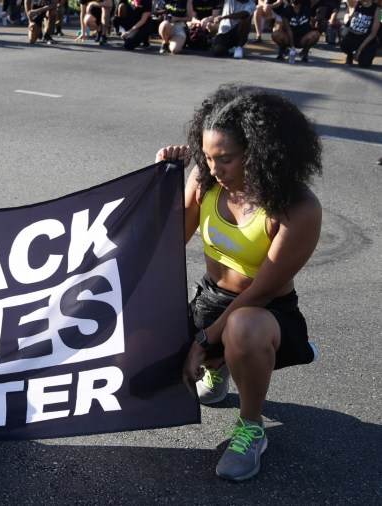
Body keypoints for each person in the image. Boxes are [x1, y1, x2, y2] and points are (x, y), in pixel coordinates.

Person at [156, 85, 322, 482]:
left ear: (262, 153)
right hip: (210, 301)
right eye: (208, 157)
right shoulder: (207, 179)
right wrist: (163, 179)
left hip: (264, 313)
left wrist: (199, 343)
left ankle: (251, 426)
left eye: (225, 159)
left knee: (241, 328)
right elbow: (168, 242)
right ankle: (218, 365)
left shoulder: (298, 208)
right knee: (146, 357)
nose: (214, 170)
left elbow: (260, 292)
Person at [339, 0, 380, 67]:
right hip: (353, 36)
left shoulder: (378, 10)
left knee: (364, 64)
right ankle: (350, 55)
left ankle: (363, 54)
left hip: (367, 38)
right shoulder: (356, 4)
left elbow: (373, 33)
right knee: (344, 44)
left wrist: (359, 50)